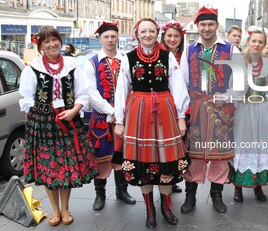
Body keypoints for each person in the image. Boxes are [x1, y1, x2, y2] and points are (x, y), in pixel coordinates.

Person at [113, 18, 190, 228]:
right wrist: (119, 120)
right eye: (143, 31)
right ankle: (150, 209)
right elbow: (122, 89)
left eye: (152, 31)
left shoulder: (168, 57)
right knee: (143, 163)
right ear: (137, 34)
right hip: (138, 112)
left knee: (166, 160)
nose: (148, 35)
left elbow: (178, 87)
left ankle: (166, 206)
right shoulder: (128, 58)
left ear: (157, 33)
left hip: (164, 111)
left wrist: (181, 116)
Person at [19, 26, 98, 226]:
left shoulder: (71, 65)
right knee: (49, 168)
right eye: (46, 42)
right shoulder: (33, 68)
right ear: (41, 46)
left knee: (66, 166)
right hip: (43, 124)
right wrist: (35, 127)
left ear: (60, 42)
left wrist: (74, 111)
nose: (52, 44)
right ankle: (54, 210)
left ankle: (65, 208)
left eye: (54, 40)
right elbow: (27, 98)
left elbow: (82, 94)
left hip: (69, 121)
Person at [180, 6, 243, 213]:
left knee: (220, 156)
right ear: (197, 26)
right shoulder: (189, 50)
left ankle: (216, 195)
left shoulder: (232, 50)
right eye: (203, 24)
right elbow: (183, 83)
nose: (206, 28)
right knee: (194, 155)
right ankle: (190, 196)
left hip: (221, 111)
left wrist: (226, 97)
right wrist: (183, 113)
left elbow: (240, 83)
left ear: (217, 25)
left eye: (210, 24)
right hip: (196, 109)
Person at [83, 21, 136, 211]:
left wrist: (122, 112)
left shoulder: (127, 59)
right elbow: (91, 93)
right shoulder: (92, 62)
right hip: (101, 118)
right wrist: (112, 111)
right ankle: (100, 194)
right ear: (100, 39)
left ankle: (122, 191)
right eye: (106, 37)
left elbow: (132, 87)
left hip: (126, 116)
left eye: (113, 36)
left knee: (122, 155)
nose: (110, 40)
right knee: (102, 157)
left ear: (118, 38)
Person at [229, 28, 268, 203]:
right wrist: (232, 109)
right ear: (248, 43)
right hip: (243, 109)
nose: (257, 44)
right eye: (254, 41)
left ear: (264, 45)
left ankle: (258, 186)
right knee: (242, 145)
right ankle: (238, 188)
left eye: (260, 42)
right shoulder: (239, 64)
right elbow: (233, 87)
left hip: (262, 110)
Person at [160, 19, 187, 193]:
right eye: (169, 35)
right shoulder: (159, 54)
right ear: (163, 37)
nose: (172, 39)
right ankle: (164, 178)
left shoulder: (183, 54)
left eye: (176, 36)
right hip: (163, 104)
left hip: (181, 104)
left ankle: (173, 178)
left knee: (179, 144)